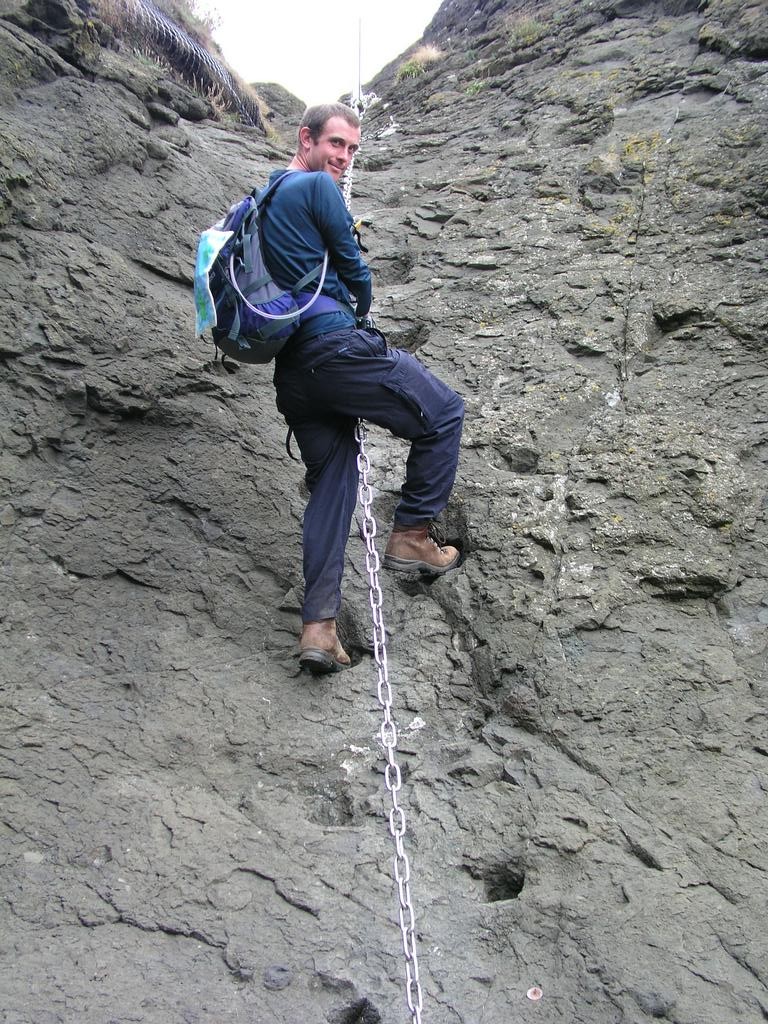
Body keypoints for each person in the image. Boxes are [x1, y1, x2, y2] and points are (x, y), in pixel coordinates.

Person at [261, 103, 464, 674]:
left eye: (352, 150)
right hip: (336, 349)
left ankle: (319, 629)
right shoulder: (318, 190)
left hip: (294, 375)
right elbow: (356, 272)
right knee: (444, 412)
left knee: (334, 481)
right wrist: (360, 308)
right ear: (306, 138)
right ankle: (412, 535)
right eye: (336, 144)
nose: (344, 160)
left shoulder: (266, 197)